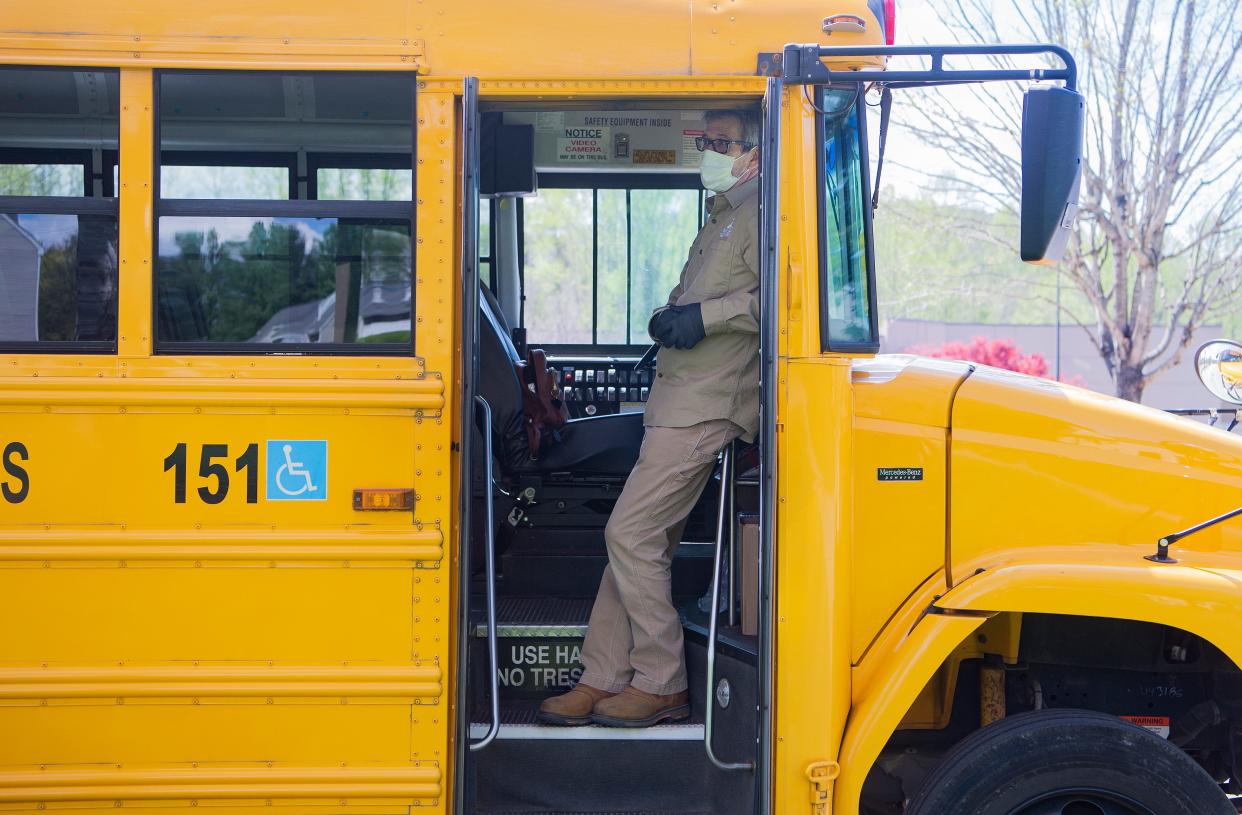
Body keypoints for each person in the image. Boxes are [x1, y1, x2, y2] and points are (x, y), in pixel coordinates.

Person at [539, 109, 761, 727]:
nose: (709, 152)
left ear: (757, 154)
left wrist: (704, 318)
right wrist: (673, 317)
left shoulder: (765, 214)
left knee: (629, 536)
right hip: (678, 397)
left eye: (723, 143)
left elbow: (787, 295)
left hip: (708, 405)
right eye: (705, 141)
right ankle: (603, 676)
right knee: (642, 543)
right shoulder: (723, 214)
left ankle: (662, 680)